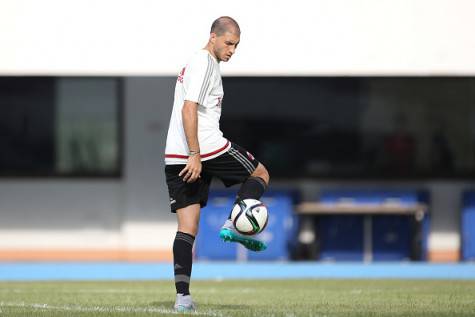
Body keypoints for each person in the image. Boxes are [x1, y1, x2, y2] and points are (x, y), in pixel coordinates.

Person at [164, 16, 270, 312]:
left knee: (187, 228)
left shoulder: (199, 64)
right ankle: (235, 224)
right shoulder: (204, 62)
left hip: (175, 154)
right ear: (213, 37)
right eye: (229, 43)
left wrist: (189, 154)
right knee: (261, 172)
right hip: (203, 148)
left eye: (236, 45)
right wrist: (196, 154)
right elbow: (189, 109)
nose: (232, 50)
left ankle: (182, 298)